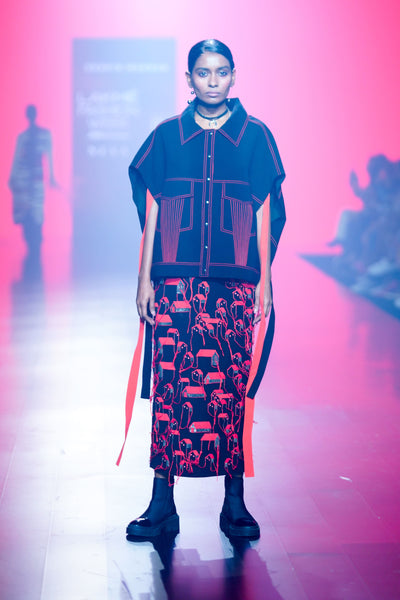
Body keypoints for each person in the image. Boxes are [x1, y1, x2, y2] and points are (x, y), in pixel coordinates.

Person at [121, 40, 286, 541]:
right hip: (176, 280)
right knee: (171, 388)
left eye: (221, 72)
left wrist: (265, 281)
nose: (212, 81)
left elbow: (266, 210)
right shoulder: (167, 136)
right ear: (189, 79)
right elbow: (153, 206)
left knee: (230, 388)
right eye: (202, 72)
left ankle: (234, 502)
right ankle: (161, 502)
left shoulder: (255, 136)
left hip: (233, 284)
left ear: (234, 76)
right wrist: (145, 276)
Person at [8, 105, 57, 259]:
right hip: (25, 181)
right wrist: (13, 178)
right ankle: (32, 244)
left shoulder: (42, 135)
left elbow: (48, 156)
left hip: (35, 180)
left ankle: (35, 244)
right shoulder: (24, 137)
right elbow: (17, 158)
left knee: (36, 212)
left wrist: (51, 177)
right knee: (28, 213)